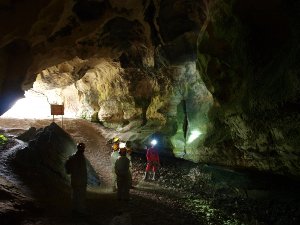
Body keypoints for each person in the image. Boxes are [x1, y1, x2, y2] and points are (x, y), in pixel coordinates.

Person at [65, 142, 87, 215]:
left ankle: (74, 209)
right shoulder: (80, 158)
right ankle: (80, 211)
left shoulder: (73, 156)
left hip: (74, 179)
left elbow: (67, 166)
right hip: (81, 180)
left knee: (75, 195)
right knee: (80, 196)